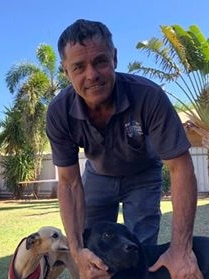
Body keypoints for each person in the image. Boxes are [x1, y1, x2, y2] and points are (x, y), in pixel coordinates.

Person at [46, 19, 203, 279]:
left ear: (115, 58)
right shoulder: (59, 112)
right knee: (90, 254)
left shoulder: (148, 96)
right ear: (66, 71)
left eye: (100, 61)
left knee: (139, 251)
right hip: (97, 175)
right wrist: (75, 251)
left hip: (143, 173)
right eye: (78, 67)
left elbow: (180, 168)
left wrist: (181, 249)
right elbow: (69, 183)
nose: (92, 74)